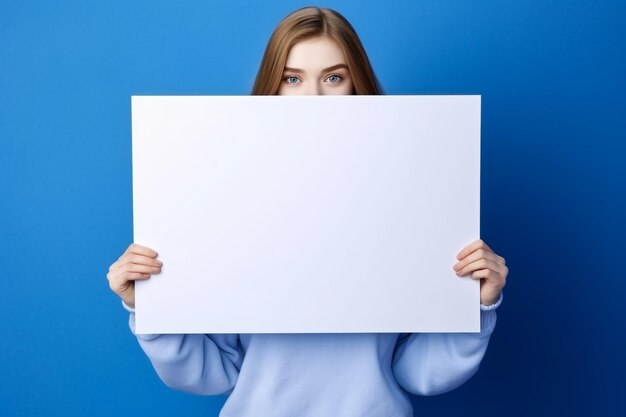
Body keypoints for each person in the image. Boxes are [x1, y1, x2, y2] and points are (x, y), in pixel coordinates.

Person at [107, 6, 508, 416]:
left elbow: (416, 372)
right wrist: (151, 305)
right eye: (292, 79)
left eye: (333, 78)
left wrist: (475, 305)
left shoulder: (412, 194)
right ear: (272, 87)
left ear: (357, 86)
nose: (313, 97)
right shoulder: (225, 198)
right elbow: (215, 373)